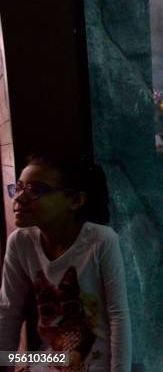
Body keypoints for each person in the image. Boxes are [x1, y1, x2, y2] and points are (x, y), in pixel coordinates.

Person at [0, 153, 131, 372]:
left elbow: (118, 315)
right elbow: (8, 311)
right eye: (20, 187)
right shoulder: (20, 243)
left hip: (97, 363)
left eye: (35, 190)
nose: (19, 198)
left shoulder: (101, 240)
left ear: (75, 200)